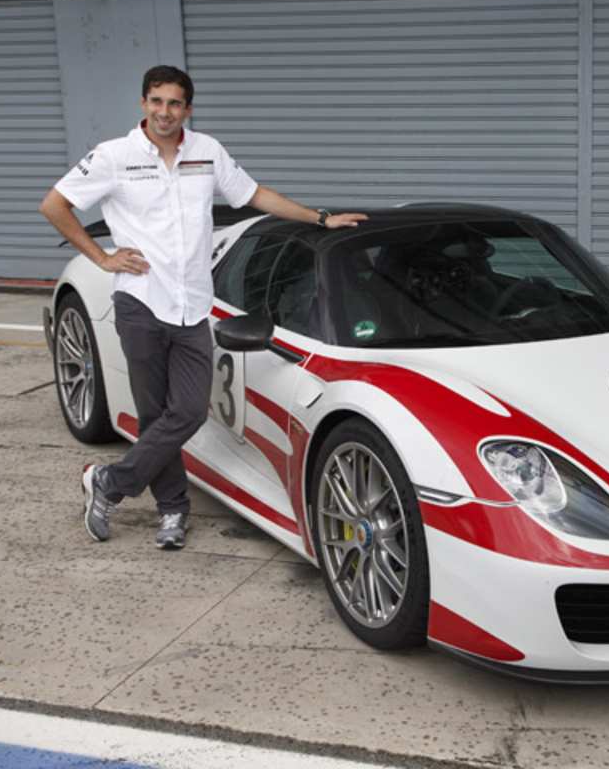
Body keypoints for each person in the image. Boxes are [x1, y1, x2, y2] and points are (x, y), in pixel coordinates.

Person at [39, 65, 367, 550]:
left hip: (193, 307)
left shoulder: (206, 152)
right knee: (154, 417)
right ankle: (172, 510)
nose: (164, 112)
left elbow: (255, 195)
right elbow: (55, 205)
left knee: (188, 411)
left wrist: (319, 217)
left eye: (174, 103)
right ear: (143, 104)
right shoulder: (115, 156)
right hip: (141, 304)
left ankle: (108, 483)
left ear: (187, 109)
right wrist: (103, 258)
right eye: (156, 101)